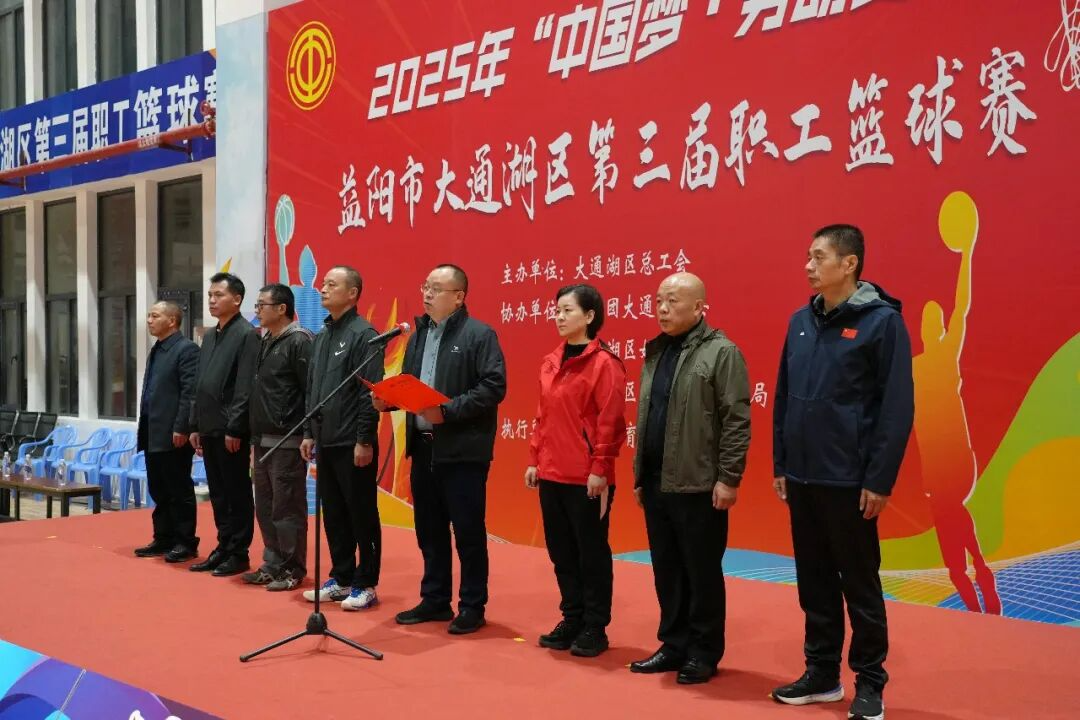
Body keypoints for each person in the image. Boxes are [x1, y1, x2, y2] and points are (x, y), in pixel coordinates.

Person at [771, 224, 914, 720]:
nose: (808, 266)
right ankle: (822, 674)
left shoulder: (882, 323)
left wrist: (879, 479)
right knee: (813, 582)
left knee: (859, 584)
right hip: (802, 477)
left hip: (850, 480)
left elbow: (896, 408)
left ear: (849, 263)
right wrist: (782, 462)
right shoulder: (800, 322)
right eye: (808, 256)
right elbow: (784, 395)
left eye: (819, 257)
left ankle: (870, 682)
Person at [628, 272, 751, 685]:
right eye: (658, 301)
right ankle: (673, 644)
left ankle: (703, 651)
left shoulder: (721, 352)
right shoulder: (657, 351)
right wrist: (640, 476)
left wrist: (729, 477)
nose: (662, 309)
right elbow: (649, 417)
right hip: (656, 480)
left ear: (699, 307)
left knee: (701, 572)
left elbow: (736, 420)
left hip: (699, 483)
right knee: (667, 569)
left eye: (673, 301)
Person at [379, 264, 506, 635]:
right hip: (423, 448)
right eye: (426, 286)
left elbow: (493, 386)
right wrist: (389, 400)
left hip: (462, 450)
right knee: (429, 530)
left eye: (436, 288)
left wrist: (448, 412)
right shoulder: (418, 335)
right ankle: (435, 599)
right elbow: (411, 385)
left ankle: (472, 605)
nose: (428, 293)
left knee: (467, 532)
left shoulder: (479, 334)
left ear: (459, 296)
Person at [525, 284, 626, 657]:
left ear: (590, 316)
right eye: (557, 310)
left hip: (587, 479)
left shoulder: (604, 364)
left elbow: (610, 423)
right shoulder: (550, 362)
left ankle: (595, 627)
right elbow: (543, 417)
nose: (559, 317)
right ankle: (572, 618)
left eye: (568, 310)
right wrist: (534, 459)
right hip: (551, 474)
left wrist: (600, 467)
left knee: (591, 553)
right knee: (562, 553)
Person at [914, 192, 1000, 614]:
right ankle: (977, 574)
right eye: (927, 320)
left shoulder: (946, 354)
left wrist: (967, 254)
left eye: (935, 319)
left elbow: (962, 306)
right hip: (936, 469)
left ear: (939, 327)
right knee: (949, 534)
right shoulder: (914, 368)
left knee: (949, 516)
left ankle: (978, 569)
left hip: (955, 461)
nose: (932, 324)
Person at [300, 266, 385, 611]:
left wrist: (364, 439)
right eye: (323, 284)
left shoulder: (365, 335)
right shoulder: (322, 336)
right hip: (326, 440)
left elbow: (369, 393)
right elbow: (313, 389)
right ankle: (342, 577)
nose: (323, 289)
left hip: (353, 442)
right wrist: (309, 433)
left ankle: (366, 583)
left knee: (361, 514)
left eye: (331, 284)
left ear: (352, 293)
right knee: (333, 514)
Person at [188, 273, 261, 577]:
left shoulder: (247, 334)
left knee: (236, 491)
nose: (212, 300)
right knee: (218, 492)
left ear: (237, 299)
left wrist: (236, 427)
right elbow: (199, 384)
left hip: (230, 429)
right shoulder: (210, 336)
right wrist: (194, 424)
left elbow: (245, 386)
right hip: (208, 425)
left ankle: (238, 552)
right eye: (210, 295)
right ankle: (223, 545)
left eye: (218, 295)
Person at [244, 284, 313, 592]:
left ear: (282, 308)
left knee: (287, 508)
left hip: (287, 440)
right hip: (262, 439)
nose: (257, 310)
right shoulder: (266, 340)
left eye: (262, 305)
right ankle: (272, 563)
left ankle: (292, 568)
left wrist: (308, 433)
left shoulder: (300, 341)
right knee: (265, 507)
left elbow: (310, 391)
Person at [134, 301, 200, 563]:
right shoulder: (157, 349)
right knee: (159, 489)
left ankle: (185, 541)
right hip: (153, 430)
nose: (149, 320)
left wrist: (182, 426)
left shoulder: (186, 349)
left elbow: (189, 393)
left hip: (174, 433)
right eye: (149, 315)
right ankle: (163, 537)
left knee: (178, 489)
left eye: (155, 316)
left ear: (172, 321)